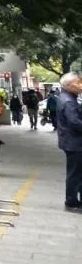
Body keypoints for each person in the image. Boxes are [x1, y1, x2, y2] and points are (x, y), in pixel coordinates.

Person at [54, 72, 82, 212]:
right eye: (78, 82)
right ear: (70, 85)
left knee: (77, 172)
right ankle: (71, 201)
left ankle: (74, 199)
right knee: (75, 173)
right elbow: (75, 122)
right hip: (74, 143)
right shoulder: (69, 101)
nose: (81, 85)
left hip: (71, 141)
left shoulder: (68, 97)